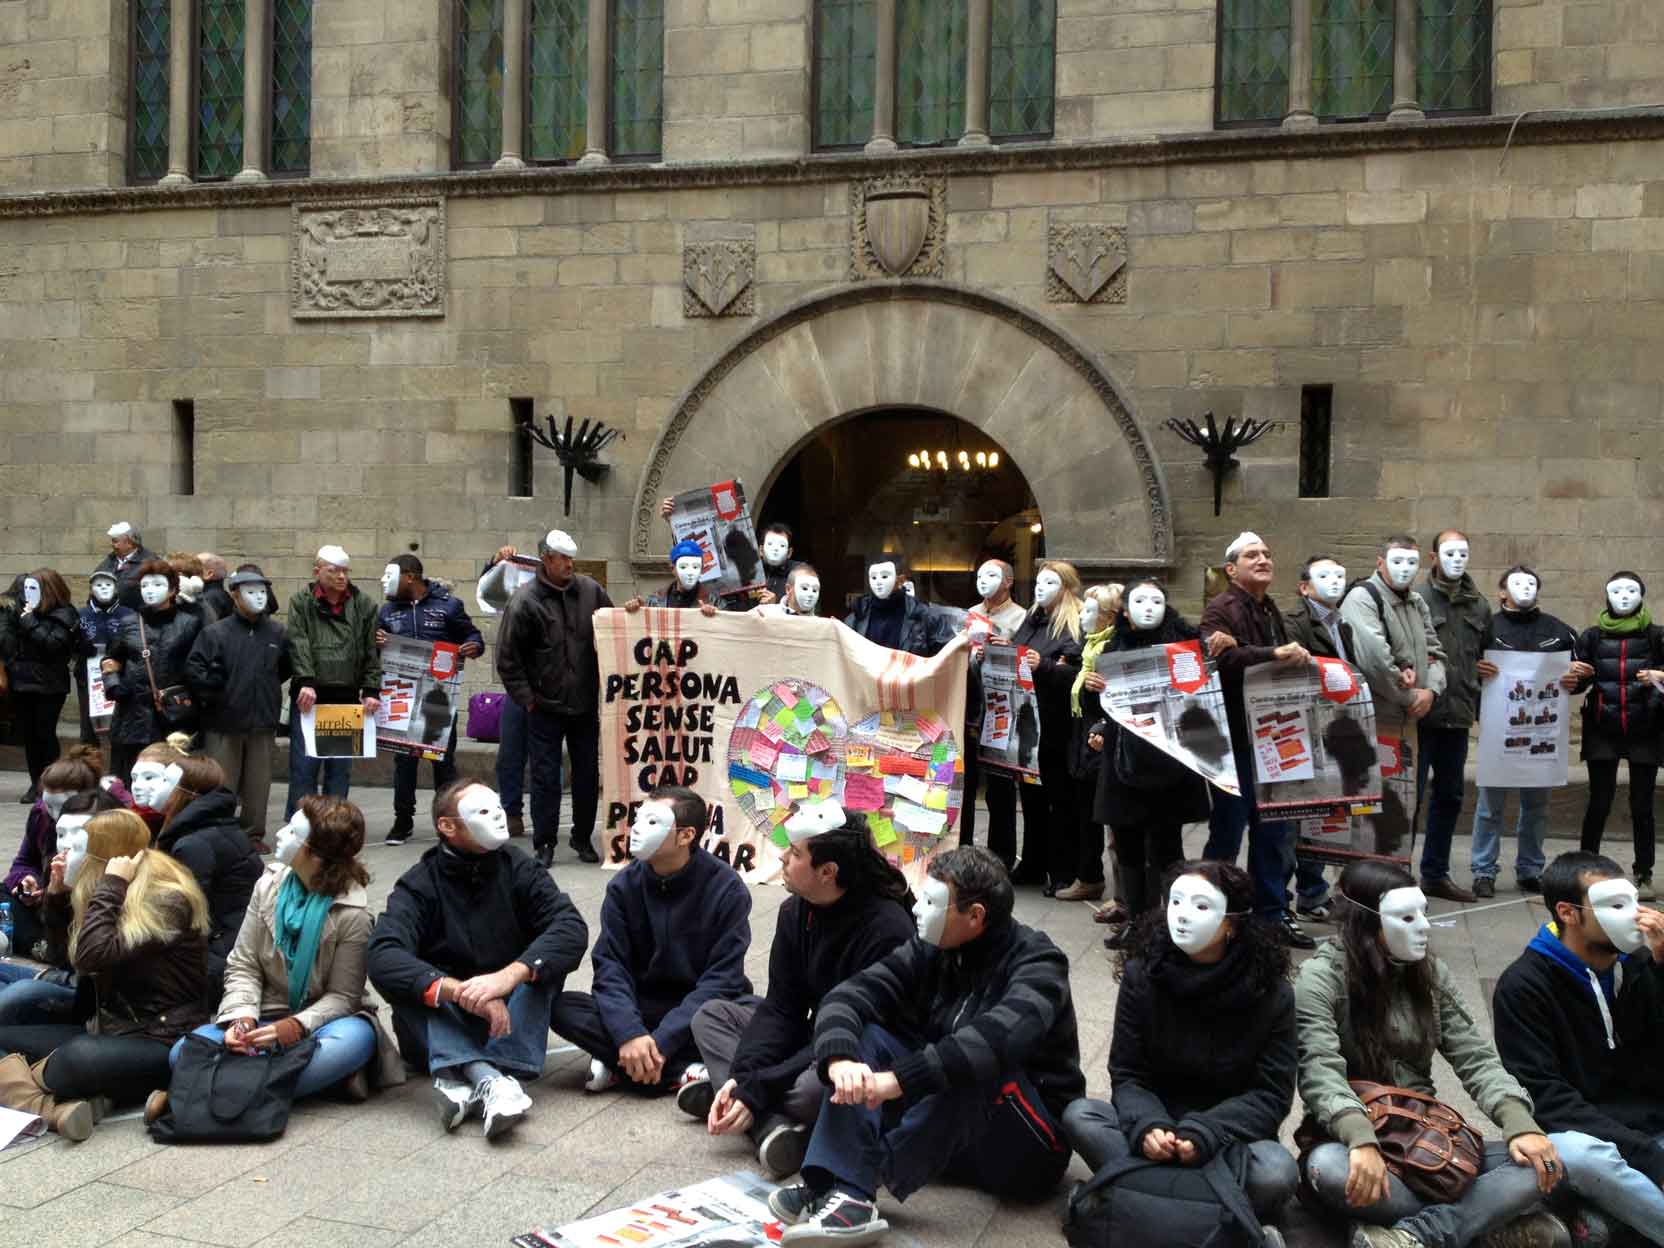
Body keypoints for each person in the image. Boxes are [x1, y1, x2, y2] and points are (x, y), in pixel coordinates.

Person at [769, 846, 1082, 1244]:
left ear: (975, 916)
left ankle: (854, 1184)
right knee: (865, 1039)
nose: (917, 909)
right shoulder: (930, 947)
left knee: (981, 1062)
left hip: (1027, 1147)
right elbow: (848, 996)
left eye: (932, 902)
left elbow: (995, 1041)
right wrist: (839, 1059)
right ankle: (837, 1185)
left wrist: (897, 1080)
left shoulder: (1039, 963)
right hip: (949, 1133)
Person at [1295, 860, 1568, 1248]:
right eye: (1407, 917)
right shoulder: (1319, 978)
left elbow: (1477, 1059)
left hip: (1428, 1142)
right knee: (1329, 1169)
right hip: (1348, 1141)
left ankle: (1413, 1233)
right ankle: (1485, 1225)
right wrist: (1361, 1139)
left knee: (1542, 1164)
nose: (1424, 927)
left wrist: (1521, 1125)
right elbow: (1319, 1071)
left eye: (1424, 913)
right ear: (1364, 922)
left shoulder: (1431, 973)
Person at [1062, 861, 1299, 1238]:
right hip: (1154, 1130)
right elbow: (1127, 1073)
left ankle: (1130, 1194)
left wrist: (1207, 1131)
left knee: (1277, 1170)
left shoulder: (1272, 993)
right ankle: (1213, 1210)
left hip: (1228, 1139)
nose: (1183, 916)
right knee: (1080, 1115)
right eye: (1175, 901)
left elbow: (1271, 1094)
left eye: (1201, 906)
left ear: (1233, 923)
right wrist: (1148, 1126)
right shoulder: (1143, 974)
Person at [686, 807, 914, 1178]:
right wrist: (746, 1077)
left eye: (794, 853)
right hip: (811, 1034)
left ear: (828, 872)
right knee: (711, 1017)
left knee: (810, 1092)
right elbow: (782, 1008)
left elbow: (854, 1032)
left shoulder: (887, 928)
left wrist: (757, 1086)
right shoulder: (795, 911)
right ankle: (765, 1121)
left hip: (857, 1048)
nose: (782, 857)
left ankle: (735, 1098)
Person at [148, 796, 395, 1124]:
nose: (279, 833)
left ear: (315, 854)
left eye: (292, 832)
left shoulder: (352, 913)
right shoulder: (267, 886)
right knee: (181, 1050)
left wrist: (294, 1027)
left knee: (355, 1040)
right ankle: (307, 1085)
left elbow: (343, 997)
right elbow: (243, 963)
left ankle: (202, 1093)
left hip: (321, 1025)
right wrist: (241, 1018)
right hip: (262, 1016)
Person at [367, 781, 587, 1137]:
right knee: (407, 979)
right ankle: (487, 1078)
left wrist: (509, 976)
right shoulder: (419, 883)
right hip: (444, 1021)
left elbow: (570, 927)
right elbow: (382, 953)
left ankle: (462, 1077)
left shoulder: (520, 868)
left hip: (510, 1020)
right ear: (447, 826)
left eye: (498, 807)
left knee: (545, 962)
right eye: (483, 811)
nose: (498, 816)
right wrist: (458, 991)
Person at [0, 809, 209, 1139]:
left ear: (109, 860)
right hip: (111, 1027)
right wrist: (57, 899)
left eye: (76, 848)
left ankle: (66, 1092)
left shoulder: (165, 900)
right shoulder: (106, 892)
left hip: (160, 1038)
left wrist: (111, 885)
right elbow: (66, 962)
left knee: (74, 1061)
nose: (61, 855)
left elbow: (92, 956)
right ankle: (54, 1110)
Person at [1492, 851, 1664, 1244]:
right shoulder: (1523, 987)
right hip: (1589, 1139)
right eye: (1616, 905)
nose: (1636, 916)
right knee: (1579, 1154)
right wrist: (1651, 1159)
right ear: (1568, 913)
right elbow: (1549, 1101)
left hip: (1651, 1125)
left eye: (1634, 901)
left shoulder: (1638, 964)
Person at [552, 786, 752, 1094]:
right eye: (637, 819)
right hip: (641, 1007)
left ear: (686, 836)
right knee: (563, 1007)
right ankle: (679, 1071)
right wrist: (629, 1032)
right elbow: (610, 967)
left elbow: (722, 979)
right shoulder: (623, 886)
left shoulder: (726, 888)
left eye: (652, 822)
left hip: (699, 1011)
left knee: (756, 1017)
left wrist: (662, 1040)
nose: (636, 829)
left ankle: (624, 1065)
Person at [1200, 532, 1316, 949]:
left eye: (1267, 553)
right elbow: (1219, 661)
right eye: (1252, 555)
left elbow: (1255, 653)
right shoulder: (1221, 608)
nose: (1263, 559)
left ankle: (1270, 914)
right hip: (1235, 741)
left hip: (1274, 736)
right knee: (1228, 830)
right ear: (1231, 568)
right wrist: (1271, 654)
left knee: (1275, 831)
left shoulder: (1269, 609)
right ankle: (1214, 908)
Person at [1339, 536, 1462, 906]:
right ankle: (1358, 891)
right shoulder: (1363, 598)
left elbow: (1437, 653)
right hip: (1375, 717)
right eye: (1397, 561)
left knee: (1401, 805)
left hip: (1408, 720)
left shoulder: (1416, 602)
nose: (1405, 569)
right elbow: (1374, 659)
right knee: (1368, 806)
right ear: (1380, 563)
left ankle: (1391, 883)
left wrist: (1431, 691)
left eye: (1412, 562)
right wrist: (1410, 696)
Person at [1090, 581, 1212, 943]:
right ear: (1125, 610)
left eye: (1157, 600)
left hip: (1169, 760)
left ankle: (1164, 922)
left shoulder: (1185, 645)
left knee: (1166, 846)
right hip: (1124, 761)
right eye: (1139, 601)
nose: (1148, 607)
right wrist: (1095, 691)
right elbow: (1105, 706)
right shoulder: (1113, 647)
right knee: (1127, 843)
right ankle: (1136, 921)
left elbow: (1201, 695)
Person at [495, 529, 612, 867]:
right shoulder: (525, 601)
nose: (569, 564)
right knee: (545, 777)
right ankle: (544, 841)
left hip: (583, 705)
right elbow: (508, 658)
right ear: (546, 559)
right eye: (562, 558)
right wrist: (526, 699)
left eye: (571, 558)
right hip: (544, 706)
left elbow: (613, 628)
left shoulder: (590, 591)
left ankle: (582, 837)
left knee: (587, 775)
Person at [1468, 567, 1586, 898]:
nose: (1525, 588)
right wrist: (1475, 670)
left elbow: (1580, 671)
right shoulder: (1484, 629)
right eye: (1516, 583)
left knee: (1536, 808)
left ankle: (1530, 869)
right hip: (1498, 732)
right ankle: (1483, 870)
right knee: (1489, 808)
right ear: (1502, 592)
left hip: (1542, 734)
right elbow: (1462, 667)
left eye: (1531, 583)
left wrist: (1577, 679)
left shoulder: (1560, 631)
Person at [376, 554, 485, 846]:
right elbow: (373, 650)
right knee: (403, 762)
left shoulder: (448, 606)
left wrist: (473, 646)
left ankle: (447, 821)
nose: (385, 582)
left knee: (443, 763)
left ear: (410, 577)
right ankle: (402, 821)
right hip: (401, 695)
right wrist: (377, 642)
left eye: (392, 575)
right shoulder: (387, 611)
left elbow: (473, 635)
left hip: (438, 696)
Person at [187, 566, 292, 852]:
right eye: (250, 592)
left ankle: (252, 834)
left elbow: (284, 667)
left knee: (258, 783)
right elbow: (195, 669)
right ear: (234, 595)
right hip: (223, 720)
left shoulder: (277, 632)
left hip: (263, 720)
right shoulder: (215, 633)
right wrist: (215, 692)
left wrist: (266, 690)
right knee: (222, 781)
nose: (258, 597)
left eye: (263, 592)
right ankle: (217, 831)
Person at [1575, 572, 1664, 902]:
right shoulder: (1592, 637)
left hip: (1646, 728)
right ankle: (1585, 869)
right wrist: (1575, 676)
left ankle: (1644, 872)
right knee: (1599, 801)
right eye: (1617, 590)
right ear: (1606, 595)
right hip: (1603, 728)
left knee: (1642, 805)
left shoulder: (1657, 636)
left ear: (1642, 595)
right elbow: (1578, 683)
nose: (1624, 596)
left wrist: (1659, 675)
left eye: (1631, 590)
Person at [0, 789, 125, 1019]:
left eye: (77, 834)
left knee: (18, 995)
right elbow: (60, 958)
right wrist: (55, 897)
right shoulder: (68, 872)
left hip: (98, 1004)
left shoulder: (119, 884)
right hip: (70, 977)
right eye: (61, 833)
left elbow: (89, 967)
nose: (65, 845)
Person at [1282, 554, 1357, 921]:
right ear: (1304, 587)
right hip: (1307, 727)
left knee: (1323, 815)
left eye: (1340, 574)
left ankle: (1313, 893)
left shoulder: (1343, 624)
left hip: (1338, 725)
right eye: (1324, 575)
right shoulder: (1294, 623)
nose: (1335, 581)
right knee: (1297, 818)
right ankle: (1287, 897)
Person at [152, 751, 264, 990]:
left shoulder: (193, 845)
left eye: (165, 781)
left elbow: (185, 916)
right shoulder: (206, 826)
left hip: (215, 960)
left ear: (188, 793)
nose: (155, 787)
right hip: (224, 946)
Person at [284, 545, 381, 820]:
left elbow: (370, 649)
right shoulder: (301, 602)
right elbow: (298, 641)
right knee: (304, 768)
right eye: (334, 571)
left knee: (339, 770)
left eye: (345, 571)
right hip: (310, 696)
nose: (341, 576)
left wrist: (371, 688)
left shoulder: (364, 604)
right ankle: (300, 823)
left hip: (346, 698)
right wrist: (305, 680)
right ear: (317, 572)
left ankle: (335, 824)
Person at [1012, 561, 1087, 892]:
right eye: (1038, 582)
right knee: (1031, 799)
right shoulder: (1032, 619)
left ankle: (1063, 870)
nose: (1040, 589)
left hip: (1059, 726)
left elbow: (1079, 673)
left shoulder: (1075, 623)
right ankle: (1033, 863)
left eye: (1050, 583)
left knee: (1061, 801)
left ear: (1066, 588)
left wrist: (1044, 665)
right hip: (1030, 723)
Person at [101, 560, 203, 785]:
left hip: (171, 712)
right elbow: (111, 659)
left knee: (169, 775)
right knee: (130, 775)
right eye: (145, 585)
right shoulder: (128, 623)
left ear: (172, 590)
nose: (149, 591)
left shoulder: (189, 623)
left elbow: (197, 664)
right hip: (132, 711)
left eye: (157, 585)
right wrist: (113, 684)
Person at [2, 746, 105, 959]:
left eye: (63, 805)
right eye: (49, 805)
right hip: (46, 901)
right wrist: (27, 882)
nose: (55, 814)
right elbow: (24, 860)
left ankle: (44, 946)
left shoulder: (102, 821)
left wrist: (57, 891)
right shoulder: (40, 815)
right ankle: (41, 944)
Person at [960, 559, 1028, 863]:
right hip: (971, 707)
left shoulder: (1022, 618)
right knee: (966, 782)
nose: (983, 580)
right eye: (980, 575)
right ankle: (963, 849)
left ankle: (1001, 857)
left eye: (991, 575)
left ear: (1008, 581)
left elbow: (1027, 661)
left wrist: (1007, 649)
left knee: (1000, 787)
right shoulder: (969, 614)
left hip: (1004, 709)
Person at [1058, 583, 1122, 904]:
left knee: (1113, 823)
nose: (1082, 616)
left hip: (1102, 742)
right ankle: (1090, 877)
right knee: (1087, 814)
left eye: (1089, 611)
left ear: (1107, 617)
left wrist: (1101, 699)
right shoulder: (1089, 648)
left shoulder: (1111, 649)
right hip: (1084, 741)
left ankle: (1123, 895)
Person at [2, 570, 80, 803]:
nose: (27, 594)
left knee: (44, 734)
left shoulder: (65, 613)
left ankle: (50, 782)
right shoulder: (22, 611)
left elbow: (53, 644)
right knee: (29, 736)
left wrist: (29, 622)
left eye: (33, 589)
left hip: (49, 685)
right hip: (23, 682)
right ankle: (35, 782)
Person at [481, 543, 532, 840]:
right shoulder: (514, 604)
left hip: (551, 688)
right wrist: (495, 563)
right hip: (517, 687)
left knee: (546, 758)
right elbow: (488, 593)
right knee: (510, 754)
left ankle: (545, 815)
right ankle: (512, 812)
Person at [843, 553, 949, 658]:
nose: (878, 582)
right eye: (873, 577)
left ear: (901, 580)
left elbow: (947, 654)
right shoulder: (858, 616)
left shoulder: (922, 615)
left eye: (884, 576)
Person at [74, 569, 133, 745]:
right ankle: (89, 755)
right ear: (91, 589)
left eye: (108, 584)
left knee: (120, 717)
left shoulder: (129, 614)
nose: (104, 588)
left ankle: (119, 756)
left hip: (119, 672)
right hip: (87, 673)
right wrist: (79, 647)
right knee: (88, 721)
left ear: (115, 588)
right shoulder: (80, 614)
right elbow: (68, 644)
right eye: (98, 585)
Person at [625, 539, 724, 615]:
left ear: (702, 569)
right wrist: (637, 612)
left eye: (695, 567)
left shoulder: (714, 601)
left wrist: (715, 617)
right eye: (683, 567)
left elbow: (727, 627)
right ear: (673, 569)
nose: (690, 573)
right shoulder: (655, 600)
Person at [93, 521, 159, 610]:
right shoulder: (108, 562)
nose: (112, 545)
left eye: (115, 541)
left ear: (130, 543)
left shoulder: (151, 562)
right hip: (109, 615)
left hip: (138, 615)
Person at [755, 564, 822, 618]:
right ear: (788, 589)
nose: (810, 594)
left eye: (814, 590)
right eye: (804, 588)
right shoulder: (765, 613)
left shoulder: (820, 625)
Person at [760, 523, 802, 603]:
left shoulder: (799, 573)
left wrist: (777, 604)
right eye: (770, 544)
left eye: (782, 545)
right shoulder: (751, 572)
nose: (775, 549)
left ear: (789, 553)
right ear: (761, 550)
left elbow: (804, 607)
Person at [196, 553, 232, 622]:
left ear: (209, 574)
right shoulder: (223, 594)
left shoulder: (207, 598)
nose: (189, 569)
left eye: (194, 566)